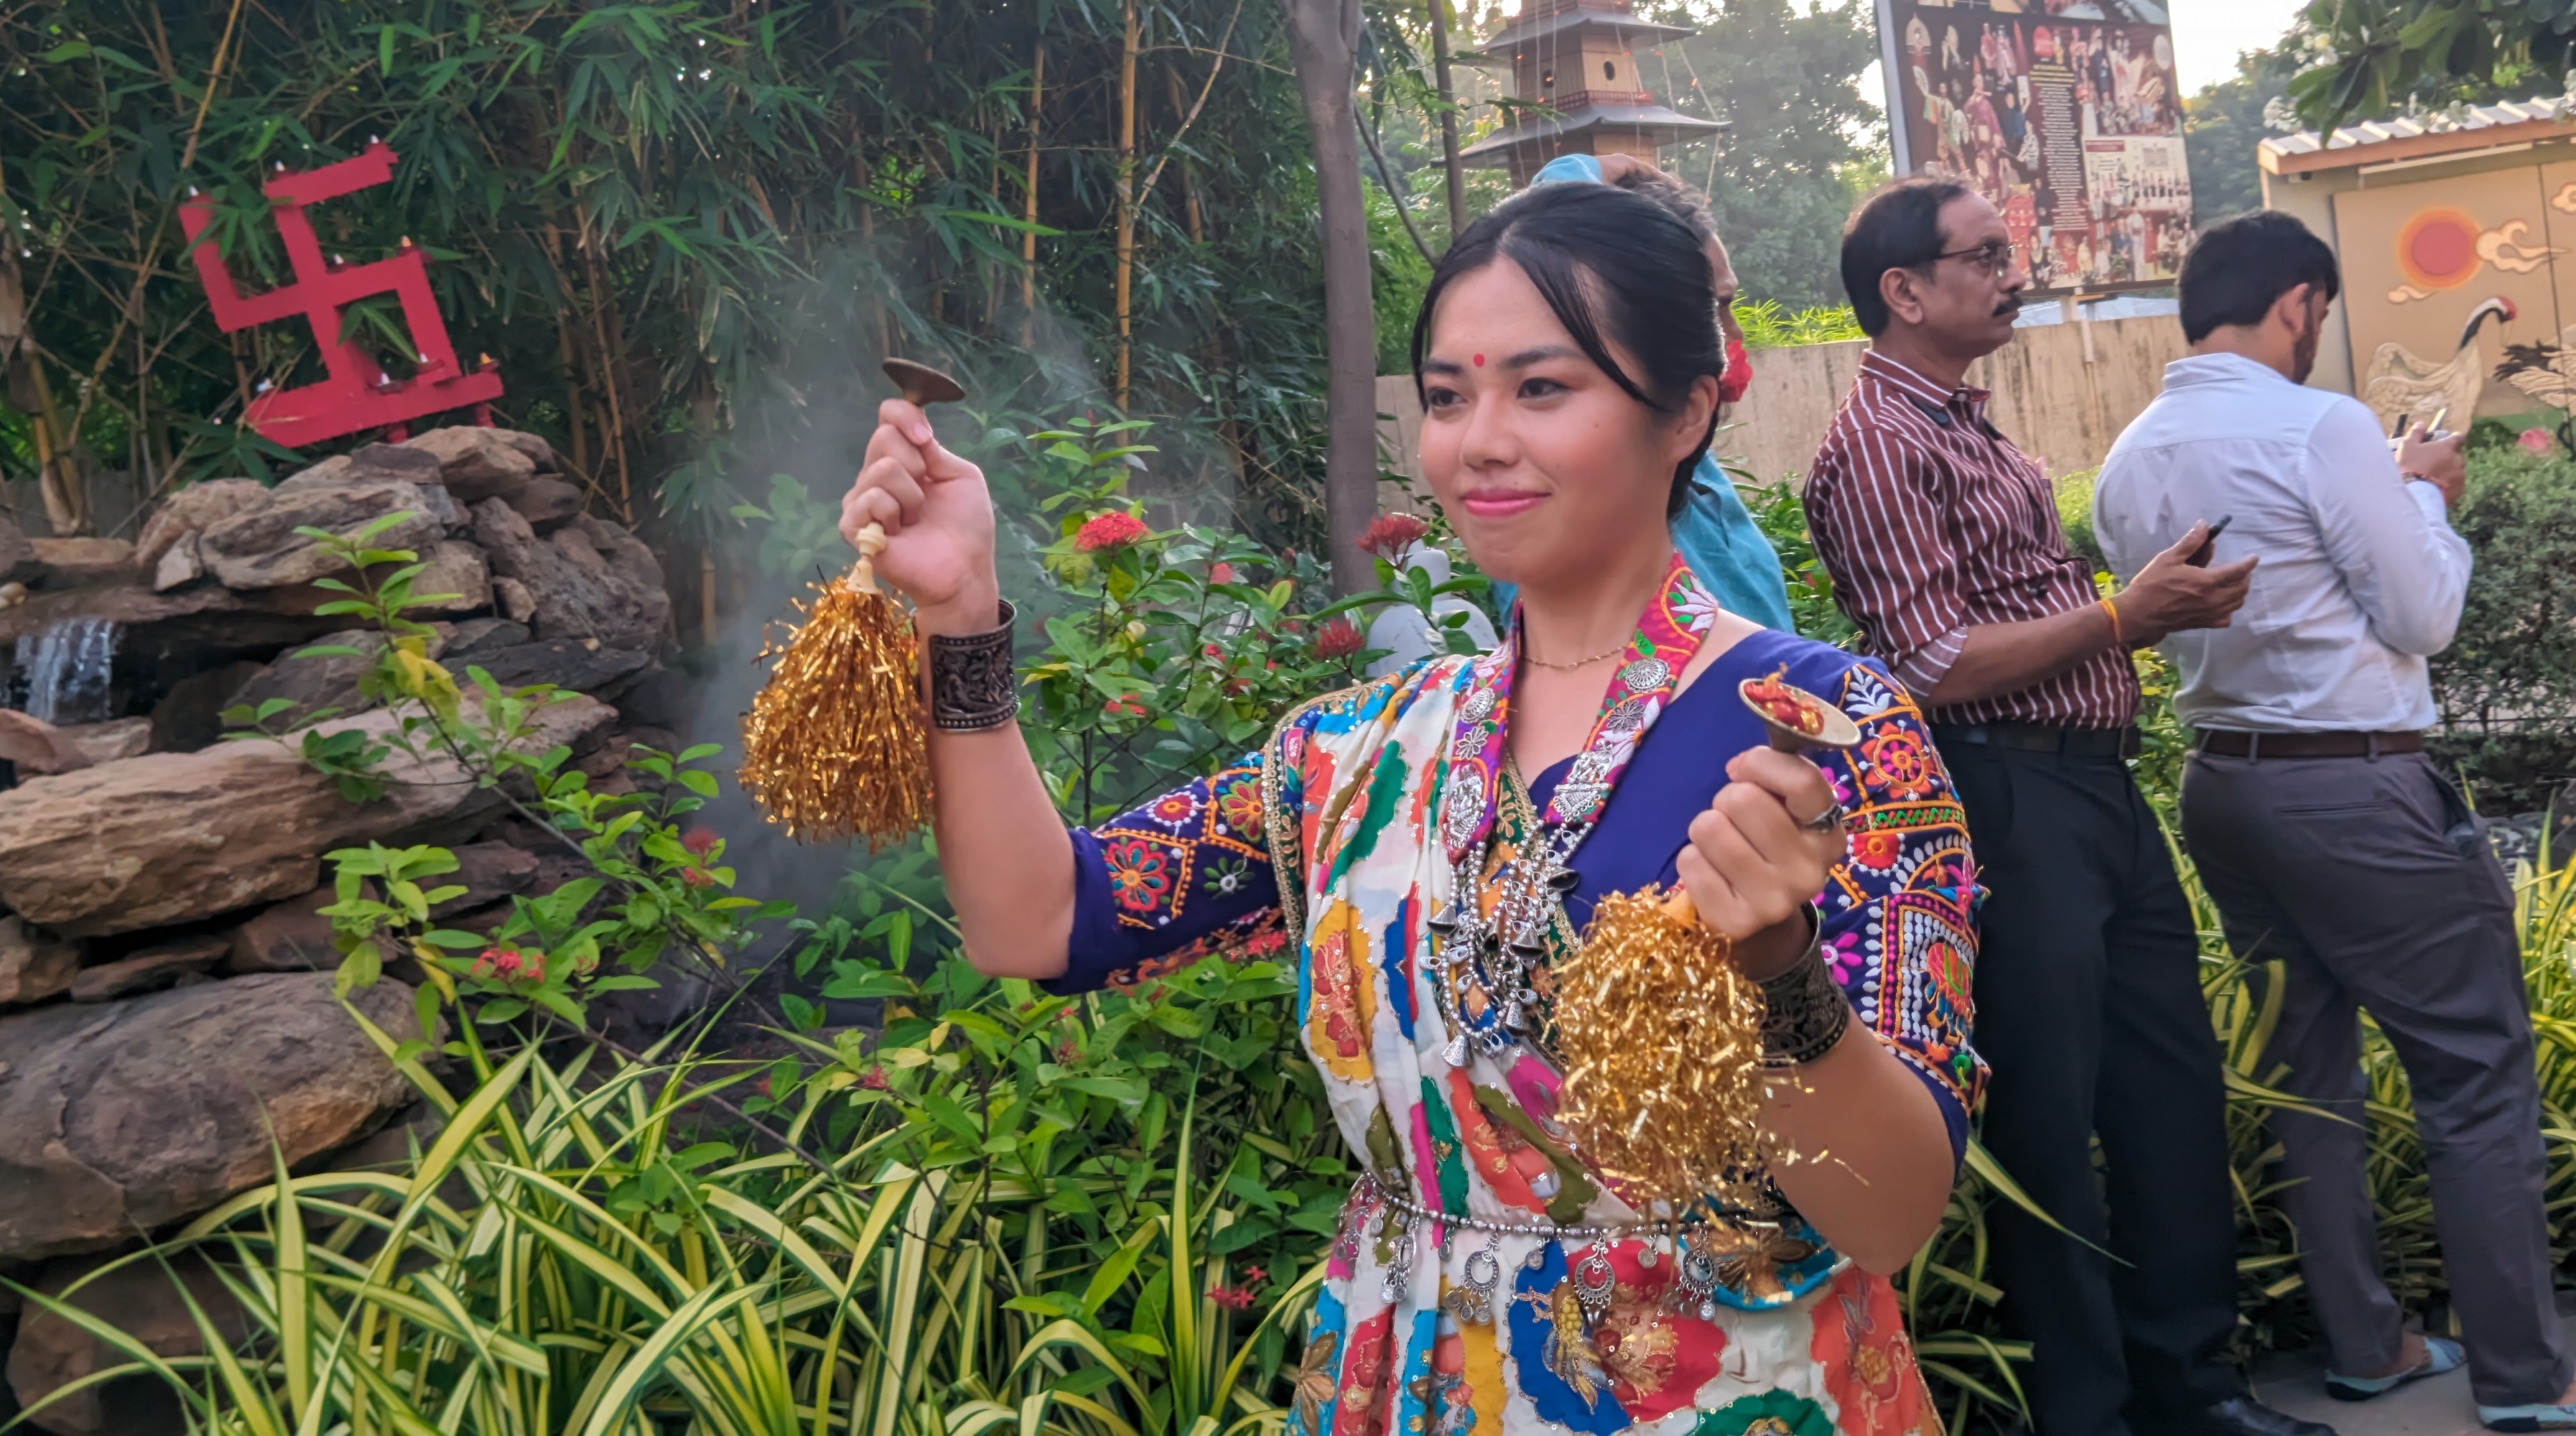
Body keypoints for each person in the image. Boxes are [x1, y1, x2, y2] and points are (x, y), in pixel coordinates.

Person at [839, 180, 1984, 1434]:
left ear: (1687, 411)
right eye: (1447, 396)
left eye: (1542, 389)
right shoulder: (1359, 753)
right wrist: (959, 618)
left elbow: (1892, 1212)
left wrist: (1778, 974)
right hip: (1417, 1384)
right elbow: (1038, 919)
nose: (1477, 440)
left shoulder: (1823, 732)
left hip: (1727, 1392)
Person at [2092, 210, 2576, 1432]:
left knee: (2310, 1073)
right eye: (2322, 317)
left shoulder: (2127, 456)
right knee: (2474, 1064)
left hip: (2225, 786)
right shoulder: (2324, 425)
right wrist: (2427, 498)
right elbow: (2421, 618)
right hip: (2353, 785)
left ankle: (2371, 1344)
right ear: (2299, 302)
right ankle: (2527, 1375)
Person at [1800, 177, 2317, 1436]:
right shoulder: (1874, 445)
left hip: (2090, 788)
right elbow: (1931, 663)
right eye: (1983, 255)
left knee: (2166, 1089)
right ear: (1904, 292)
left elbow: (2019, 613)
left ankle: (2194, 1390)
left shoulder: (1970, 428)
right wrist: (2123, 617)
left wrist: (2126, 608)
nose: (2010, 271)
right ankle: (2091, 1411)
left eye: (2007, 250)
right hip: (2002, 791)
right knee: (2049, 1109)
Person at [1517, 150, 1796, 635]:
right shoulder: (1594, 485)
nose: (1732, 332)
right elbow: (1532, 242)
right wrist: (1589, 166)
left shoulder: (1687, 459)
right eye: (1712, 308)